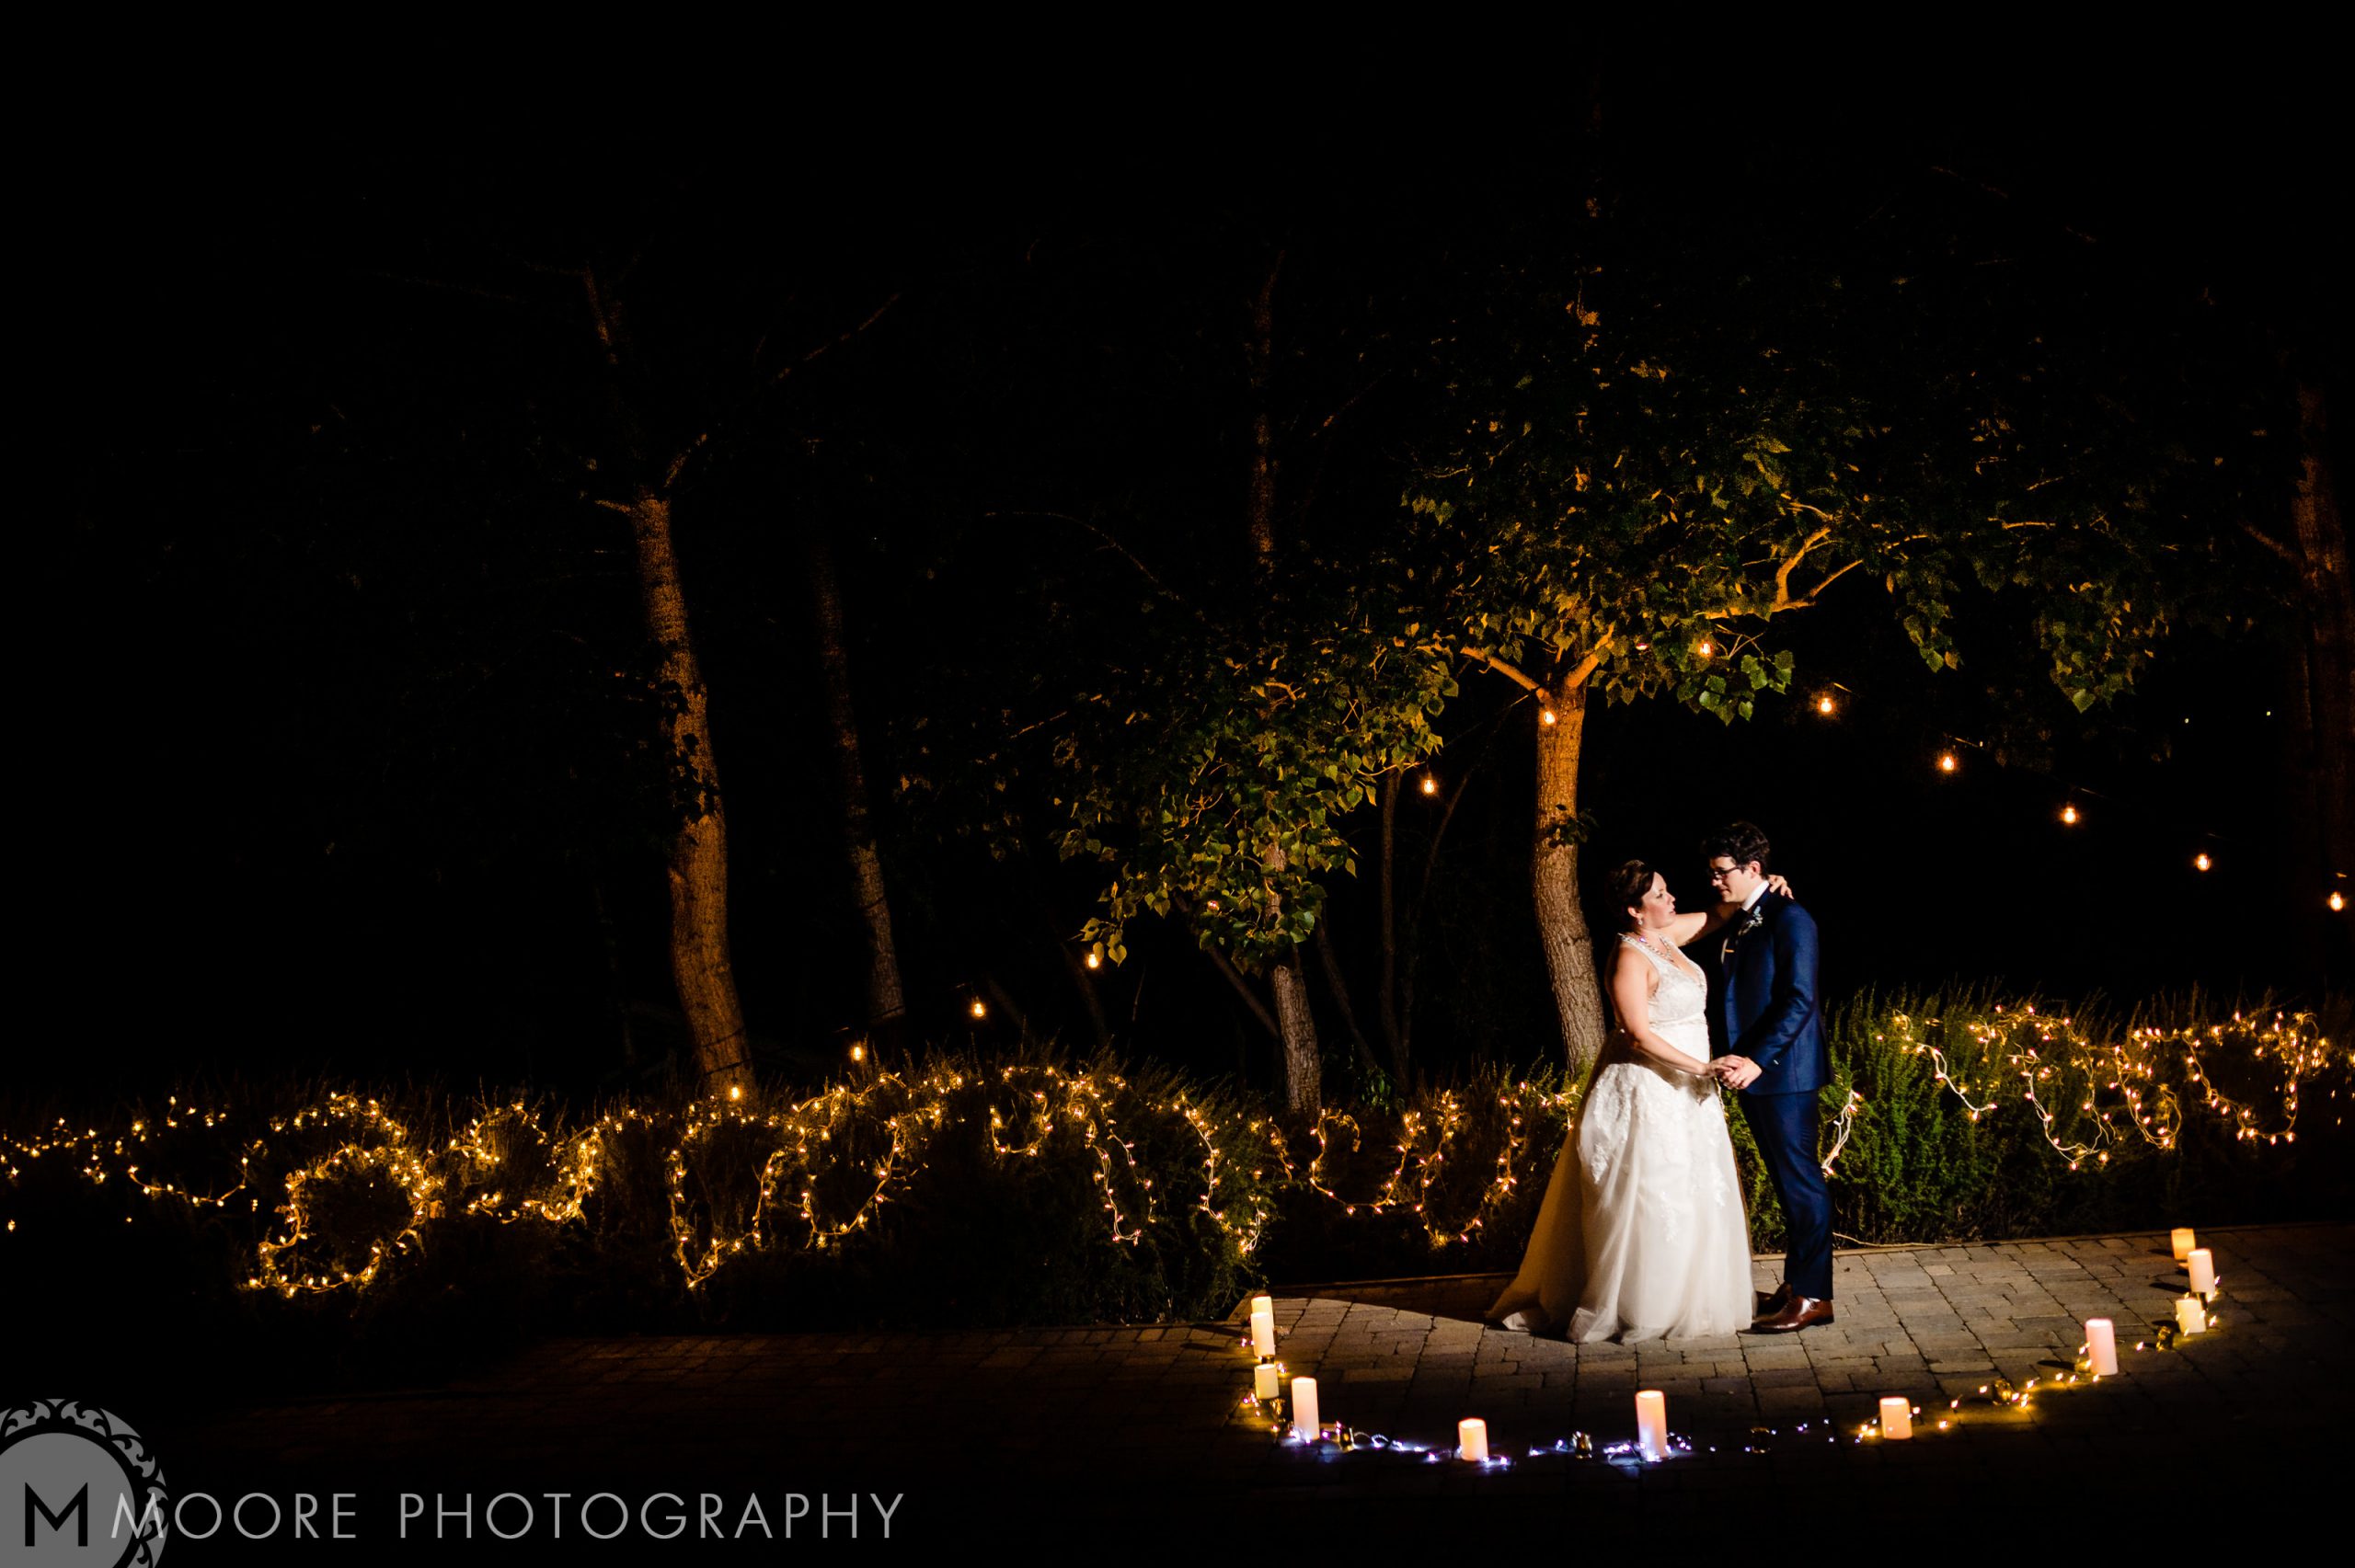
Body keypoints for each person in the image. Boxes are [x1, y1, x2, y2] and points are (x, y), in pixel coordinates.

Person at [1486, 857, 1786, 1341]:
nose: (1672, 899)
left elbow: (1720, 914)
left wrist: (1765, 887)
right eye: (1660, 895)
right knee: (1652, 1193)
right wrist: (1704, 1068)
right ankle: (1642, 1304)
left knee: (1693, 1190)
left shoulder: (1664, 938)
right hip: (1648, 1090)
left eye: (1668, 890)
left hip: (1687, 1093)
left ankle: (1693, 1295)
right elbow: (1637, 1035)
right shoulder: (1630, 957)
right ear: (1634, 910)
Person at [1700, 820, 1832, 1332]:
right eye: (1711, 872)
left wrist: (1758, 1060)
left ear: (1752, 869)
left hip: (1784, 1073)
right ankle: (1797, 1286)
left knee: (1803, 1184)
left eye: (1721, 872)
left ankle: (1815, 1297)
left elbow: (1799, 999)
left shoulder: (1791, 917)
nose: (1714, 881)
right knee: (1787, 1183)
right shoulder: (1744, 915)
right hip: (1754, 1072)